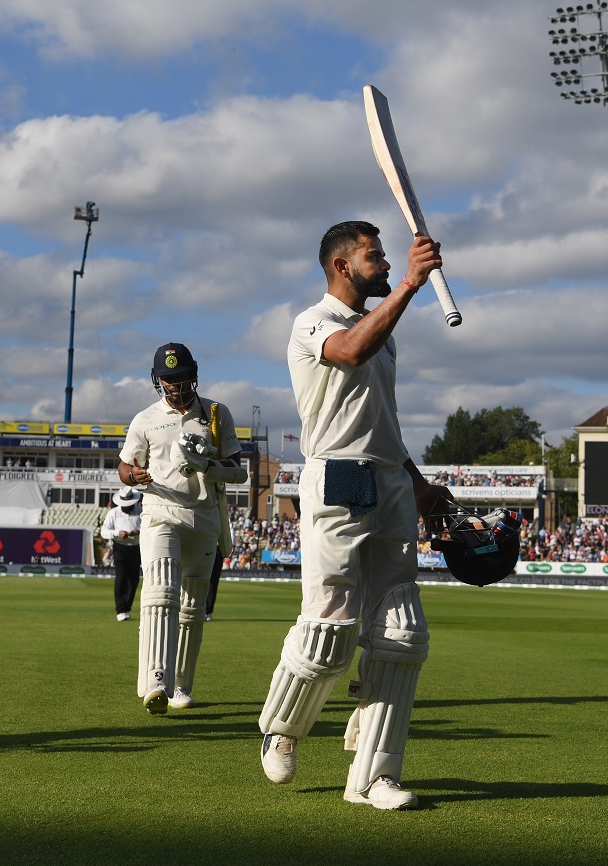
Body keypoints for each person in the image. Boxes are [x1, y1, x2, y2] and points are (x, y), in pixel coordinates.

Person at [256, 220, 453, 811]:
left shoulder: (385, 332)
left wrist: (416, 483)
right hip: (338, 474)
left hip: (389, 477)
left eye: (389, 258)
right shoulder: (312, 322)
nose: (387, 264)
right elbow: (349, 350)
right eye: (376, 257)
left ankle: (375, 775)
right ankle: (282, 728)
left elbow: (382, 419)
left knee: (401, 633)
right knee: (329, 629)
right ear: (343, 265)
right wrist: (411, 287)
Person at [117, 343, 244, 715]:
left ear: (194, 375)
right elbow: (124, 466)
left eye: (181, 377)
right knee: (160, 591)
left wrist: (206, 466)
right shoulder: (145, 419)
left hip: (204, 515)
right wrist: (134, 476)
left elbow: (239, 469)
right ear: (159, 381)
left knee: (191, 607)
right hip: (160, 510)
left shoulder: (216, 415)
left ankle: (179, 687)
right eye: (169, 379)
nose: (175, 385)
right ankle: (155, 682)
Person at [101, 487, 144, 621]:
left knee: (134, 579)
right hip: (120, 547)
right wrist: (117, 533)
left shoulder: (141, 511)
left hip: (136, 547)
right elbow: (104, 532)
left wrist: (138, 531)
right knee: (121, 578)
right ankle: (120, 610)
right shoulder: (113, 513)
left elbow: (147, 527)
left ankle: (127, 608)